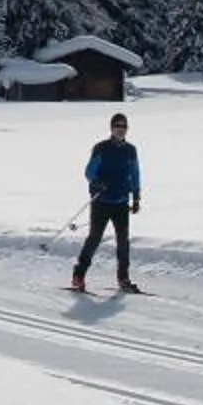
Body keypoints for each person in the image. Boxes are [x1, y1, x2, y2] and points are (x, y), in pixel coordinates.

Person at [71, 111, 142, 294]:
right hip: (102, 201)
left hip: (120, 202)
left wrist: (136, 197)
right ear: (111, 128)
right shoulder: (101, 148)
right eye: (117, 126)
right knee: (94, 238)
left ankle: (123, 278)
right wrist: (97, 183)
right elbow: (89, 171)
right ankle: (79, 275)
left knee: (123, 242)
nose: (121, 129)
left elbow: (134, 173)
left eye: (124, 126)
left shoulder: (130, 150)